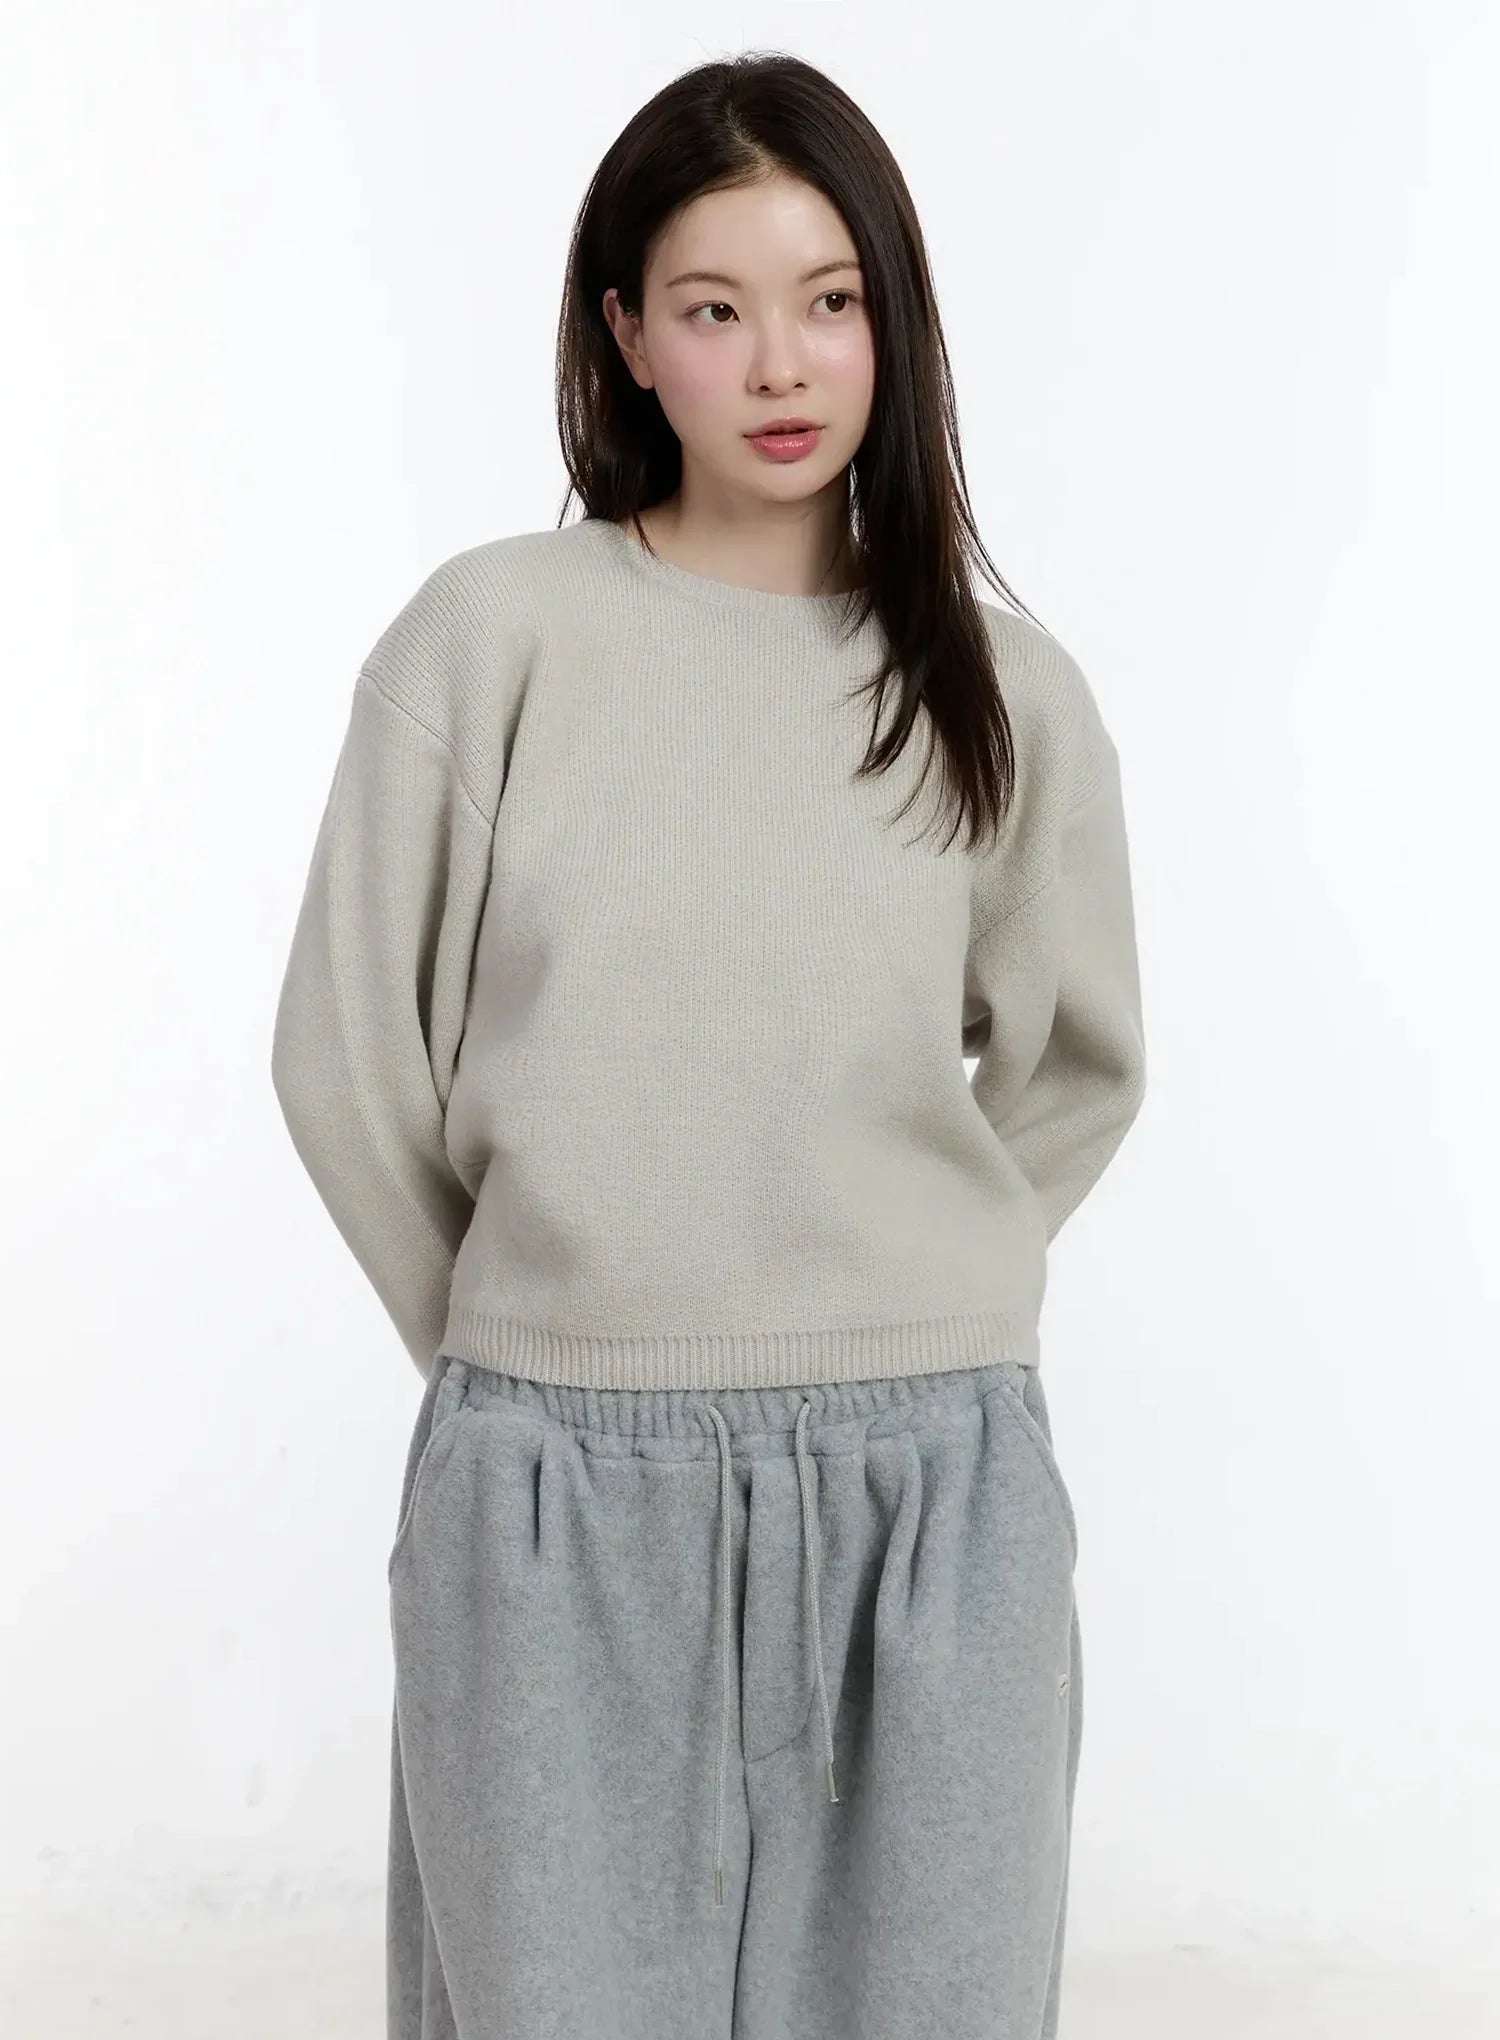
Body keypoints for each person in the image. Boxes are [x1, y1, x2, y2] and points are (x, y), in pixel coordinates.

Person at [270, 47, 1147, 2040]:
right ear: (625, 338)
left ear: (892, 322)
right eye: (713, 307)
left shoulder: (1003, 692)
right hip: (554, 1488)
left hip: (933, 1487)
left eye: (830, 300)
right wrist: (521, 1331)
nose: (781, 364)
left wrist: (915, 1272)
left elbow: (1081, 1062)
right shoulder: (492, 642)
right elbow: (345, 1052)